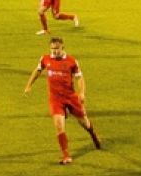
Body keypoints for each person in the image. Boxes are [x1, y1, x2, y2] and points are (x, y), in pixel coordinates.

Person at [23, 36, 102, 165]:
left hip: (71, 97)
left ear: (62, 48)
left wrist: (81, 93)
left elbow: (80, 78)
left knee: (84, 123)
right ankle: (66, 156)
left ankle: (93, 135)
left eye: (57, 49)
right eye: (52, 49)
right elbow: (37, 71)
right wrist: (28, 86)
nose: (54, 51)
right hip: (55, 99)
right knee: (59, 127)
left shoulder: (71, 61)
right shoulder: (45, 59)